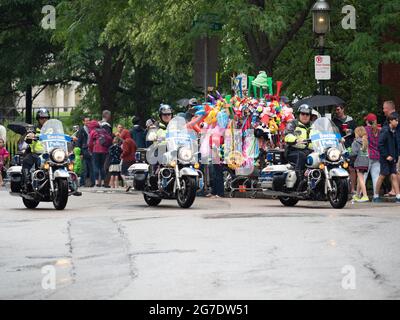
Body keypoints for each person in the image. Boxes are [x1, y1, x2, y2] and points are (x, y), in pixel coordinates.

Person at [373, 113, 400, 203]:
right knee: (382, 175)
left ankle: (398, 196)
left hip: (393, 158)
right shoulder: (385, 131)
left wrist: (395, 156)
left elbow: (396, 145)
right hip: (385, 158)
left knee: (394, 175)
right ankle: (375, 196)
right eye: (395, 120)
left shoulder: (394, 131)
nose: (397, 122)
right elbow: (380, 145)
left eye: (397, 120)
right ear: (390, 121)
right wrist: (386, 155)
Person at [21, 108, 50, 190]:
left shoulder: (52, 129)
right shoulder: (34, 128)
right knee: (26, 160)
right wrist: (30, 136)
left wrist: (70, 137)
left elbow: (60, 135)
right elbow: (27, 137)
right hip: (36, 153)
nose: (44, 119)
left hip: (50, 153)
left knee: (66, 161)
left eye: (46, 118)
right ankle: (27, 182)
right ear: (38, 119)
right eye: (42, 118)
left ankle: (70, 184)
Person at [284, 104, 313, 182]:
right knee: (302, 155)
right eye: (303, 114)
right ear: (299, 114)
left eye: (307, 114)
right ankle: (299, 180)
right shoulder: (293, 124)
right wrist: (294, 139)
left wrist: (337, 138)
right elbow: (288, 134)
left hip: (310, 151)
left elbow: (322, 134)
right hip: (293, 150)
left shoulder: (313, 126)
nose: (305, 116)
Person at [332, 104, 357, 194]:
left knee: (351, 167)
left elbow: (356, 133)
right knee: (339, 166)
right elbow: (332, 132)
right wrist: (339, 138)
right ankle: (340, 189)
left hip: (349, 146)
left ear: (343, 109)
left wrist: (350, 131)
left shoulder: (351, 121)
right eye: (336, 110)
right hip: (338, 146)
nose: (337, 111)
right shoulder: (334, 121)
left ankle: (352, 189)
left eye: (338, 109)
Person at [382, 101, 400, 196]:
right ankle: (394, 190)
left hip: (396, 149)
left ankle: (396, 191)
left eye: (384, 108)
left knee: (396, 171)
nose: (383, 110)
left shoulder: (393, 118)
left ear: (388, 108)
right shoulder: (396, 117)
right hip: (395, 149)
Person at [88, 120, 113, 187]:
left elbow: (90, 143)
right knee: (102, 166)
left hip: (96, 150)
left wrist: (90, 150)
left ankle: (96, 182)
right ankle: (102, 182)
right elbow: (110, 139)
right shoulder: (104, 131)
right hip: (104, 151)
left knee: (96, 166)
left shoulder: (93, 131)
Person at [350, 127, 370, 202]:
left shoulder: (355, 142)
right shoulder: (365, 141)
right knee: (360, 178)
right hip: (366, 162)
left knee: (361, 179)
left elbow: (354, 153)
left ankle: (365, 195)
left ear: (357, 133)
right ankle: (357, 195)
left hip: (359, 162)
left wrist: (349, 154)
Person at [364, 113, 381, 197]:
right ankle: (376, 196)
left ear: (367, 121)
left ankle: (361, 195)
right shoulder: (379, 130)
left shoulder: (365, 129)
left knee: (363, 176)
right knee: (376, 177)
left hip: (368, 155)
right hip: (377, 155)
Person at [77, 117, 95, 187]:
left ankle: (93, 183)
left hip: (91, 150)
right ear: (83, 122)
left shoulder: (92, 129)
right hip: (84, 150)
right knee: (84, 168)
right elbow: (79, 142)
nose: (88, 122)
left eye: (89, 121)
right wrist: (80, 153)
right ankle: (82, 183)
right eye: (86, 121)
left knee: (92, 167)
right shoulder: (81, 130)